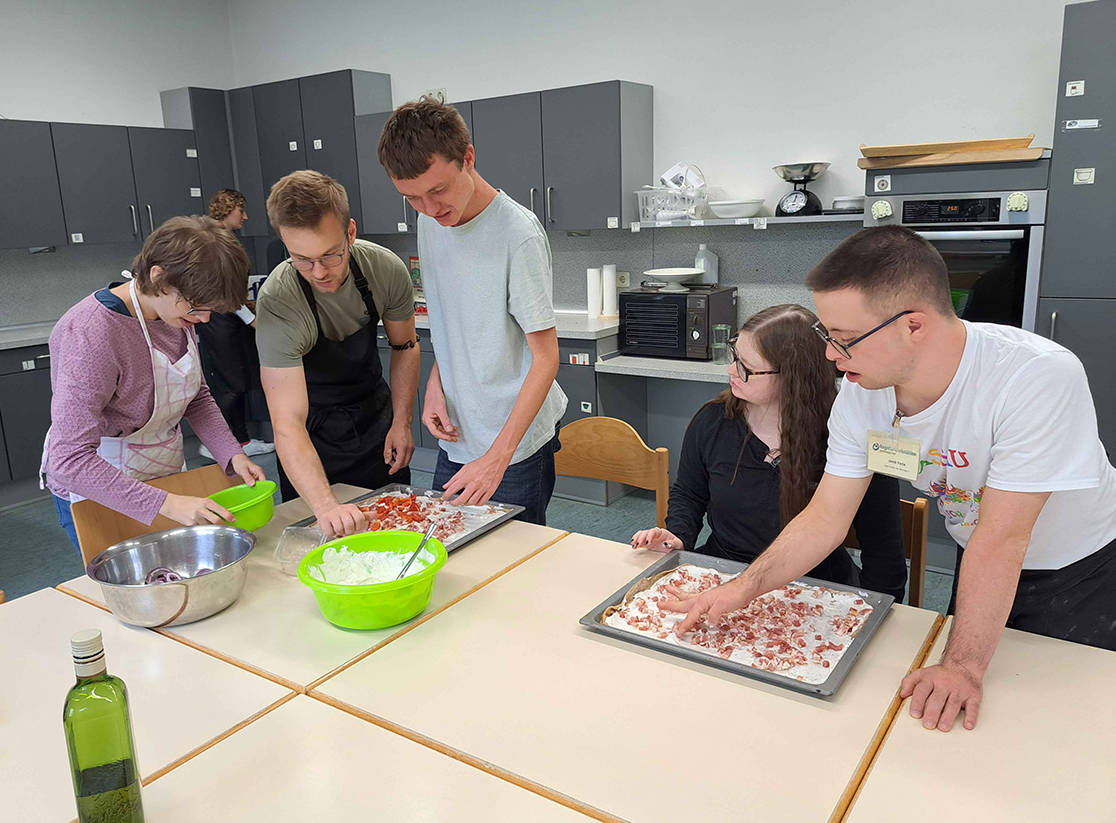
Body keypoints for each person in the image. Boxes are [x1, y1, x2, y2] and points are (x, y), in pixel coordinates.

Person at [662, 225, 1116, 733]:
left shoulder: (1037, 376)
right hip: (982, 557)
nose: (831, 355)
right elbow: (825, 518)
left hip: (1078, 569)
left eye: (846, 339)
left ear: (914, 326)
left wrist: (962, 665)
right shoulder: (864, 390)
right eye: (825, 337)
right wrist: (742, 589)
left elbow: (1004, 536)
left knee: (1057, 720)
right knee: (966, 702)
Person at [630, 304, 907, 602]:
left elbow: (883, 549)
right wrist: (677, 536)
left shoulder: (848, 434)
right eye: (735, 356)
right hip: (723, 571)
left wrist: (879, 610)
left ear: (793, 377)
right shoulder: (713, 421)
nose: (731, 370)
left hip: (814, 589)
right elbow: (689, 494)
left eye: (746, 368)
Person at [376, 99, 566, 525]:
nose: (429, 208)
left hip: (512, 441)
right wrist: (435, 386)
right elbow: (454, 323)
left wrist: (499, 457)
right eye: (412, 198)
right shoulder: (431, 221)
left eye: (438, 190)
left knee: (511, 566)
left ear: (468, 157)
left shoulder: (517, 235)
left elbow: (546, 359)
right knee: (451, 546)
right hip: (460, 432)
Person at [42, 216, 267, 550]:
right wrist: (169, 504)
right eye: (196, 308)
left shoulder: (174, 314)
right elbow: (69, 460)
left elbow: (196, 398)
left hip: (164, 477)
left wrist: (233, 454)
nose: (203, 319)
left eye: (210, 311)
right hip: (100, 490)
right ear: (157, 276)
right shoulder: (91, 333)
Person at [256, 171, 419, 537]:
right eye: (301, 259)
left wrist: (402, 421)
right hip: (311, 437)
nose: (318, 272)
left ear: (350, 232)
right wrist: (326, 505)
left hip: (375, 420)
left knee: (395, 530)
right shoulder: (278, 300)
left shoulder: (384, 269)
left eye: (330, 255)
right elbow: (286, 422)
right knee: (327, 543)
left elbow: (404, 346)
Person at [196, 189, 275, 459]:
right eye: (240, 210)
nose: (245, 216)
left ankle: (236, 440)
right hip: (220, 323)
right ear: (227, 210)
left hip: (226, 321)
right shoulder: (217, 245)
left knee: (237, 381)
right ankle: (226, 442)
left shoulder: (221, 241)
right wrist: (251, 319)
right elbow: (223, 292)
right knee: (231, 385)